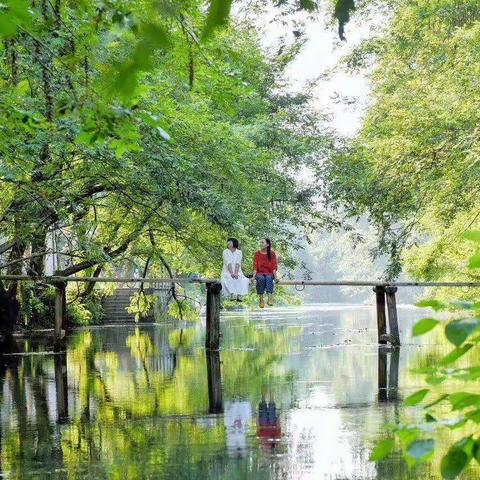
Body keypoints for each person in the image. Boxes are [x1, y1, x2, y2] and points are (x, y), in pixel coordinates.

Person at [252, 238, 278, 308]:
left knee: (268, 278)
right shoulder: (257, 254)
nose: (260, 244)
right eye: (260, 242)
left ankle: (270, 298)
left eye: (262, 242)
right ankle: (261, 299)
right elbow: (255, 266)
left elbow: (274, 267)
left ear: (267, 244)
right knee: (261, 279)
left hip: (269, 273)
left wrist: (275, 277)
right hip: (259, 274)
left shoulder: (272, 254)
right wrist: (253, 277)